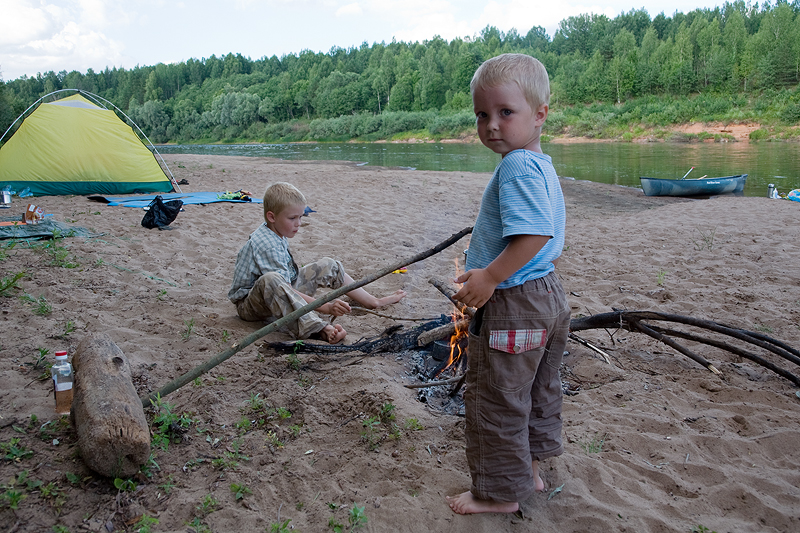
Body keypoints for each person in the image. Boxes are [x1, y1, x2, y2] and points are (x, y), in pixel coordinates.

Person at [446, 54, 570, 515]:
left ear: (540, 115)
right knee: (537, 389)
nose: (491, 125)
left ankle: (498, 493)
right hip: (549, 296)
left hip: (516, 299)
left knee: (498, 397)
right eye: (482, 115)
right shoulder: (541, 163)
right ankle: (530, 471)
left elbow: (536, 232)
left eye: (505, 112)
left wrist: (491, 277)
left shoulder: (517, 165)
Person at [228, 182, 406, 344]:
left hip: (282, 288)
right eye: (292, 218)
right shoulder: (267, 244)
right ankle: (320, 329)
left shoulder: (276, 230)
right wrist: (326, 307)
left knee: (329, 265)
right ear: (272, 217)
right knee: (272, 278)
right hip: (252, 305)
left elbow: (288, 285)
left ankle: (372, 301)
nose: (298, 224)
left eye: (301, 217)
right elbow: (283, 286)